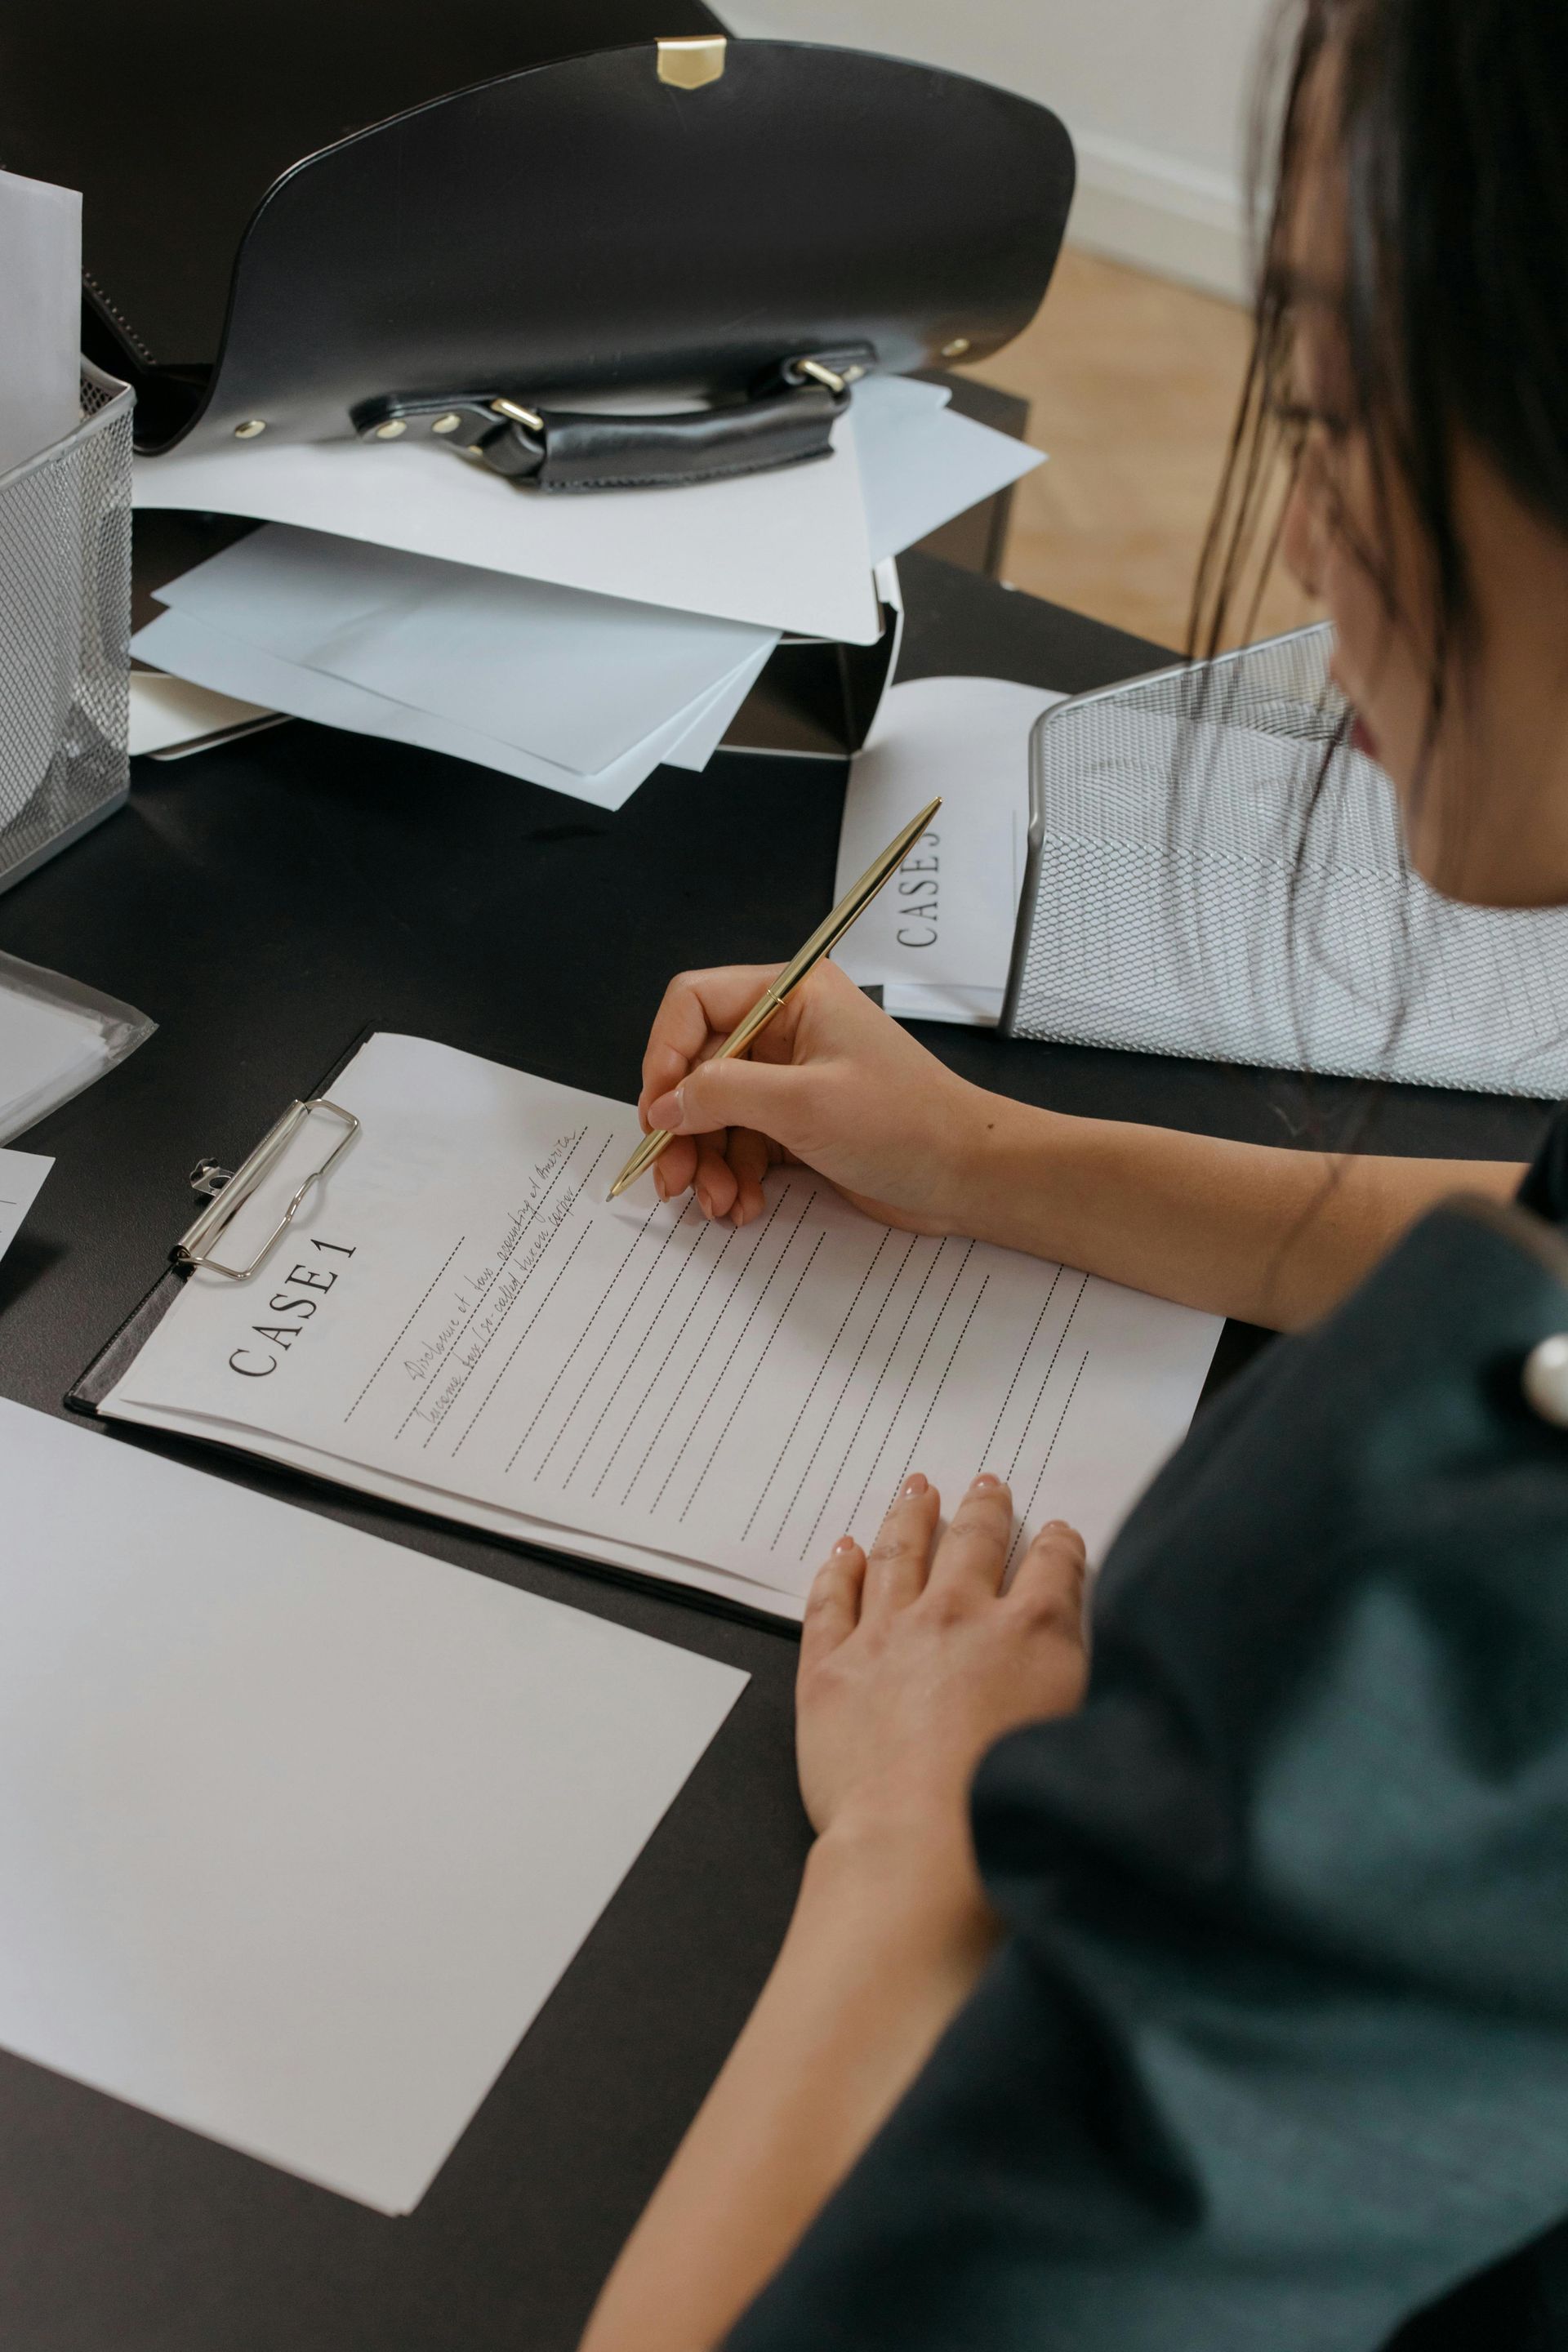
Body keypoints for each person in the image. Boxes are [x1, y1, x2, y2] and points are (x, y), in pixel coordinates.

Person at [581, 1, 1568, 2345]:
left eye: (1331, 409)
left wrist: (925, 1848)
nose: (1308, 546)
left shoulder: (1463, 1735)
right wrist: (990, 1157)